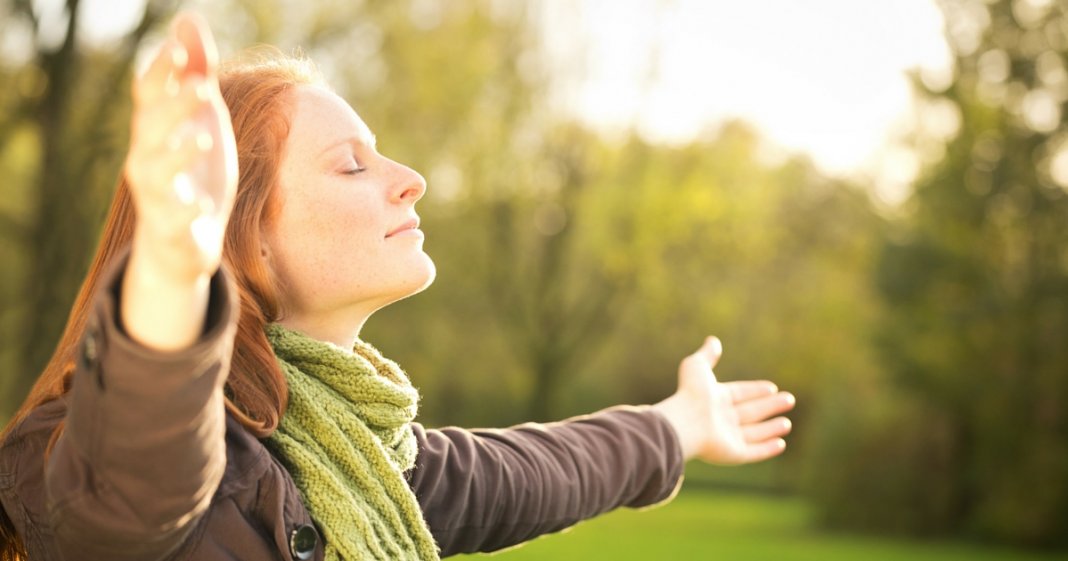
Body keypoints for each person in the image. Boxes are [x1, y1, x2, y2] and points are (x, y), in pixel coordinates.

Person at [0, 13, 795, 561]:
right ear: (248, 239)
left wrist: (682, 421)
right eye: (352, 164)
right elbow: (142, 453)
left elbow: (541, 469)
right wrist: (177, 260)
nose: (411, 180)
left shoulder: (364, 460)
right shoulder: (98, 457)